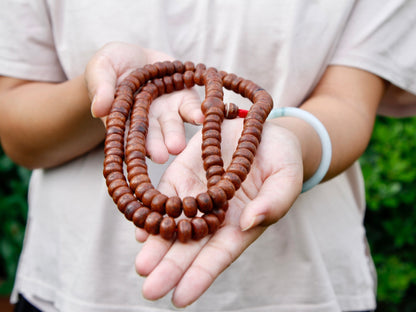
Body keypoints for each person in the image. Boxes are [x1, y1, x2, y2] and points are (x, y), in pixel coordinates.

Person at [0, 1, 415, 312]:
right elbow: (19, 133)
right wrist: (110, 92)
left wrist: (292, 143)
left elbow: (348, 103)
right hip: (77, 288)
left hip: (303, 290)